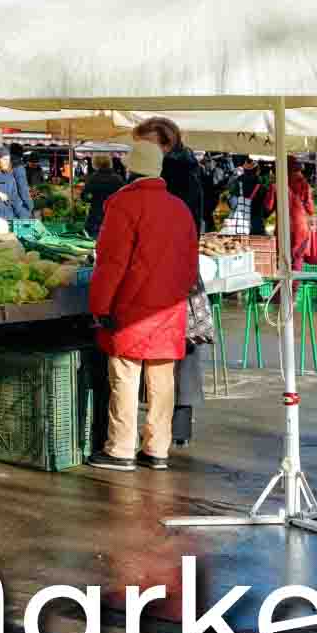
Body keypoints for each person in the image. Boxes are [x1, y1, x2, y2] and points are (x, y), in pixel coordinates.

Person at [86, 119, 199, 472]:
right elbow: (190, 263)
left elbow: (111, 262)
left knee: (125, 375)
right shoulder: (179, 208)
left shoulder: (122, 205)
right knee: (162, 381)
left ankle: (120, 449)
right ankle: (158, 448)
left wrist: (100, 307)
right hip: (169, 306)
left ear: (131, 167)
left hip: (132, 307)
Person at [0, 145, 34, 222]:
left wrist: (25, 215)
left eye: (8, 160)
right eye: (4, 159)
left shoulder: (10, 177)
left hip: (8, 218)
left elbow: (15, 200)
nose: (7, 162)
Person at [81, 153, 125, 237]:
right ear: (109, 162)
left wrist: (92, 199)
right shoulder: (118, 179)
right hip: (113, 217)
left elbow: (84, 196)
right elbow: (124, 198)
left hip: (95, 216)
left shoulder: (92, 178)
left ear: (95, 163)